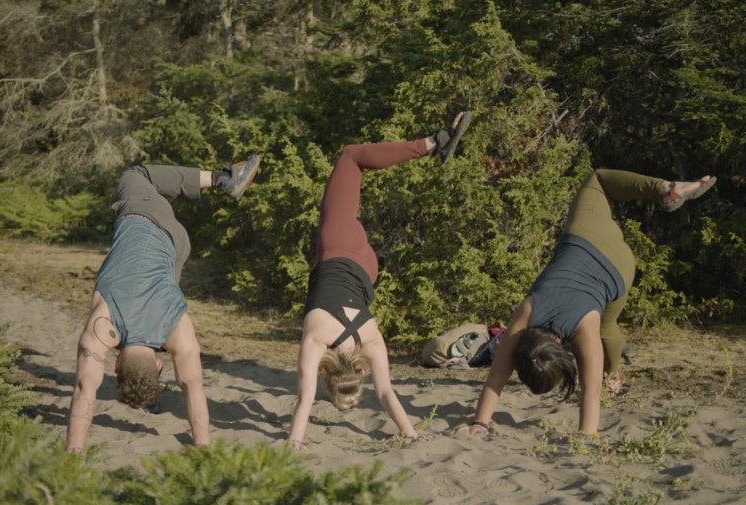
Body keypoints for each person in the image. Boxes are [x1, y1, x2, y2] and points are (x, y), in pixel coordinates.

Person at [456, 169, 717, 437]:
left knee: (607, 326)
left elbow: (590, 395)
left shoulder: (584, 329)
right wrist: (480, 422)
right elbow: (495, 378)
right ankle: (665, 187)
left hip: (620, 269)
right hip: (586, 236)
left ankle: (613, 377)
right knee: (598, 180)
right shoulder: (528, 310)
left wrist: (585, 436)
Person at [287, 112, 473, 449]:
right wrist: (294, 441)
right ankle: (433, 143)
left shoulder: (370, 340)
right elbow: (304, 400)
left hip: (366, 270)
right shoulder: (315, 341)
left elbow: (386, 391)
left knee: (348, 190)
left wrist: (412, 433)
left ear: (359, 373)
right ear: (328, 375)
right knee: (351, 156)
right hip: (339, 247)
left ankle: (434, 144)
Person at [66, 155, 261, 452]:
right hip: (144, 219)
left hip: (176, 248)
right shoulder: (100, 327)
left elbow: (193, 386)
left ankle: (225, 180)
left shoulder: (177, 332)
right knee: (135, 174)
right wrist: (73, 450)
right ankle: (224, 180)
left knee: (164, 288)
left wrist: (203, 444)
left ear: (158, 365)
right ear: (116, 365)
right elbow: (83, 388)